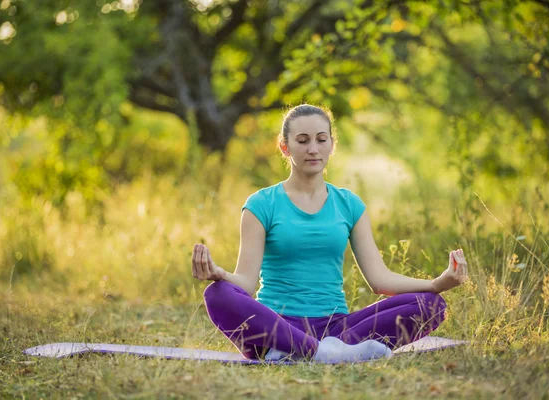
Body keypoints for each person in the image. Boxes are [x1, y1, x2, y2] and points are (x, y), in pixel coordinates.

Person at [191, 104, 468, 363]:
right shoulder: (261, 204)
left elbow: (379, 280)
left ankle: (316, 351)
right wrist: (219, 274)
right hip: (275, 323)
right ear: (285, 147)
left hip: (337, 327)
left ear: (331, 145)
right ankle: (320, 353)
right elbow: (246, 284)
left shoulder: (349, 205)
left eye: (321, 139)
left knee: (432, 305)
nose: (313, 149)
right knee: (217, 295)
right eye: (303, 141)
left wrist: (435, 284)